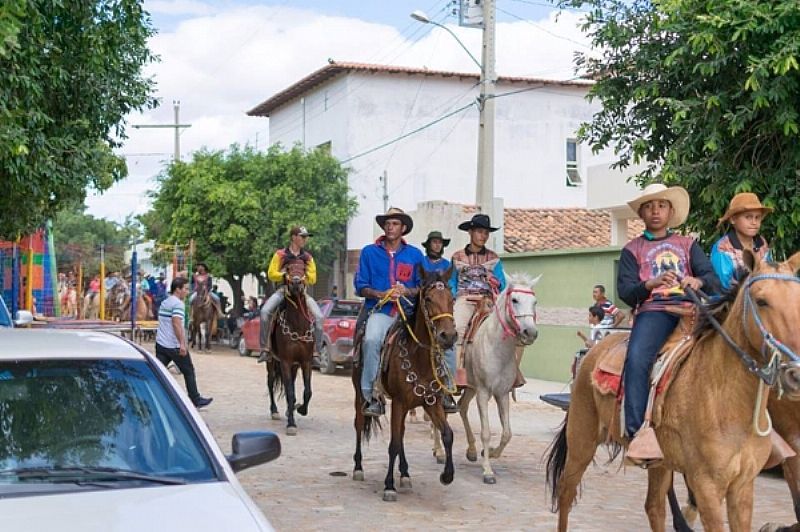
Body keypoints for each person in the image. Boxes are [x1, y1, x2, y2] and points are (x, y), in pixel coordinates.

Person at [617, 183, 717, 461]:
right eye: (649, 206)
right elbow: (625, 292)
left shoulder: (689, 244)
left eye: (661, 205)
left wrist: (696, 280)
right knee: (637, 358)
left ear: (671, 211)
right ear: (641, 214)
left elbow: (711, 278)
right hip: (656, 309)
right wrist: (650, 283)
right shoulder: (632, 250)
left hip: (693, 308)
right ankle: (638, 432)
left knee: (735, 343)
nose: (655, 211)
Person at [354, 208, 424, 417]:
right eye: (387, 223)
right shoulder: (369, 252)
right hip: (381, 311)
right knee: (372, 340)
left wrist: (408, 290)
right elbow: (360, 286)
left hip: (410, 312)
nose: (390, 227)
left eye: (395, 224)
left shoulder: (415, 254)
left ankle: (443, 388)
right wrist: (380, 293)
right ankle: (371, 395)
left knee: (439, 336)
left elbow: (424, 285)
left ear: (403, 228)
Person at [449, 214, 525, 388]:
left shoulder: (494, 258)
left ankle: (513, 372)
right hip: (465, 299)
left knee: (509, 329)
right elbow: (451, 282)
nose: (483, 236)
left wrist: (497, 284)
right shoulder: (457, 257)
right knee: (458, 329)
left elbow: (503, 283)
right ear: (470, 232)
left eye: (486, 233)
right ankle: (457, 372)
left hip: (488, 300)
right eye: (479, 232)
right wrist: (454, 296)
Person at [257, 226, 324, 363]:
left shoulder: (308, 257)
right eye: (302, 236)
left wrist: (301, 279)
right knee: (265, 312)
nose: (305, 239)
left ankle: (316, 352)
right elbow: (271, 273)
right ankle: (265, 349)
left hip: (302, 293)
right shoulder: (280, 255)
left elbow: (313, 277)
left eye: (306, 237)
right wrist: (285, 275)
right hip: (283, 291)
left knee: (319, 317)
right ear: (294, 237)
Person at [155, 277, 212, 408]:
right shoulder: (178, 304)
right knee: (189, 371)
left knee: (158, 371)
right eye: (185, 289)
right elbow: (176, 324)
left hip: (161, 344)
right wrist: (182, 343)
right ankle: (195, 399)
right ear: (178, 289)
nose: (187, 291)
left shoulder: (165, 302)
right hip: (174, 346)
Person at [420, 230, 457, 414]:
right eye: (433, 242)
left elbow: (452, 287)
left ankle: (448, 389)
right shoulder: (422, 263)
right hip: (424, 307)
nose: (437, 245)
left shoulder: (447, 265)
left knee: (449, 346)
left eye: (439, 243)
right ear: (428, 245)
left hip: (442, 310)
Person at [711, 192, 773, 291]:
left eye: (757, 217)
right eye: (748, 217)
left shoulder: (761, 243)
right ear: (733, 219)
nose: (754, 222)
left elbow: (769, 271)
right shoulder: (723, 248)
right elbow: (724, 287)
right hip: (732, 301)